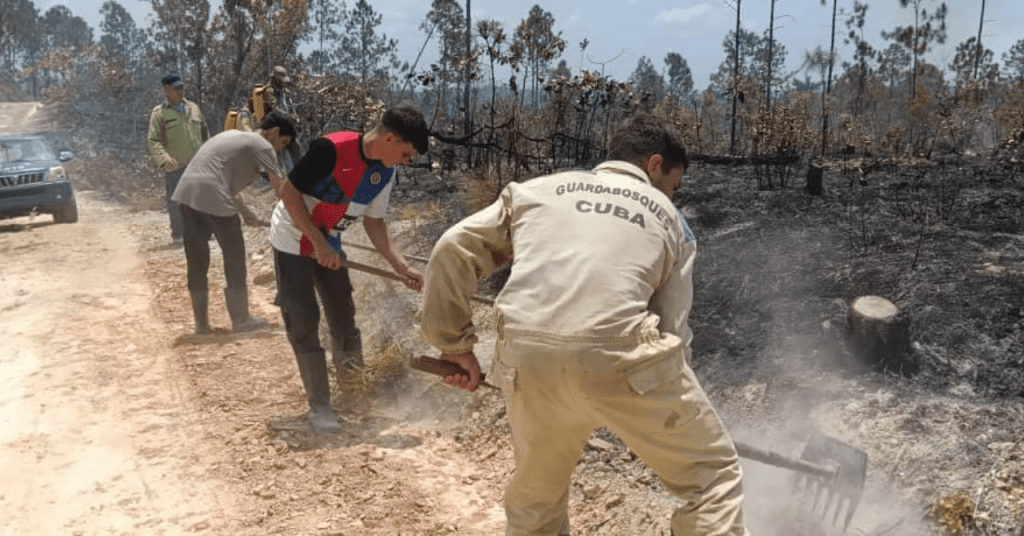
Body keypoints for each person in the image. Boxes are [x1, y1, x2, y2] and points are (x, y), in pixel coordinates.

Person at [419, 113, 750, 536]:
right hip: (622, 359)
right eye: (674, 182)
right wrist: (651, 417)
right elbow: (672, 331)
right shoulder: (671, 218)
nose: (673, 193)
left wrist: (453, 345)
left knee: (536, 505)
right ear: (654, 165)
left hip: (527, 362)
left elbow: (452, 248)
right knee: (714, 478)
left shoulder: (533, 191)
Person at [269, 104, 430, 434]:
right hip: (293, 239)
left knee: (343, 314)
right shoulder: (331, 148)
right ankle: (320, 407)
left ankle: (353, 391)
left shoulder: (385, 170)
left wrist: (400, 266)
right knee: (304, 320)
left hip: (329, 239)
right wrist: (316, 241)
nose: (405, 161)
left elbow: (374, 222)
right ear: (388, 138)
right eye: (405, 152)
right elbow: (288, 192)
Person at [172, 110, 296, 335]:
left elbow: (222, 180)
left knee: (198, 259)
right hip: (213, 193)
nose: (280, 149)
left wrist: (246, 213)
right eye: (283, 142)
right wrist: (298, 222)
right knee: (235, 255)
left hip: (187, 191)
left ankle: (201, 324)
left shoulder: (231, 136)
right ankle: (241, 320)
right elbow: (281, 190)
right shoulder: (263, 145)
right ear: (275, 132)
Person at [147, 74, 209, 244]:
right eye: (176, 88)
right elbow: (153, 140)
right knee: (176, 202)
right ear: (166, 90)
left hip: (197, 164)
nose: (181, 91)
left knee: (200, 198)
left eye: (182, 87)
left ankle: (203, 232)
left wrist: (208, 155)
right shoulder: (159, 113)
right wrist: (164, 158)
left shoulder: (194, 108)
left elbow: (205, 134)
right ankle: (179, 235)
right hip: (175, 166)